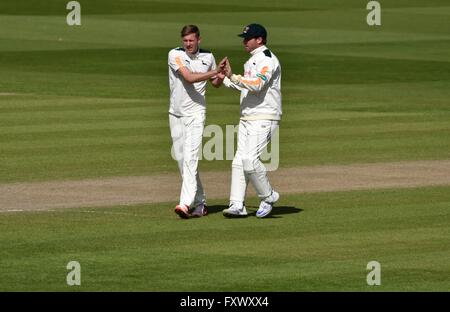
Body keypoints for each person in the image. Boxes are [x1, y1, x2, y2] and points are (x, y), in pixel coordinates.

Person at [221, 23, 282, 218]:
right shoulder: (252, 60)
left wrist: (233, 76)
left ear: (260, 40)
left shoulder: (267, 60)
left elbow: (257, 85)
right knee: (239, 161)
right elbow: (246, 88)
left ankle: (268, 195)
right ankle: (237, 205)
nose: (244, 41)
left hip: (264, 116)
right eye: (244, 38)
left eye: (248, 38)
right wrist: (223, 78)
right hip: (248, 116)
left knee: (249, 160)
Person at [168, 25, 226, 219]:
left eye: (191, 40)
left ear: (199, 40)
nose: (188, 44)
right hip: (176, 114)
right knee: (182, 161)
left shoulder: (208, 57)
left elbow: (215, 83)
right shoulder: (174, 54)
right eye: (185, 41)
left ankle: (185, 203)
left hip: (196, 114)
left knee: (191, 159)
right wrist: (214, 72)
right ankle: (201, 202)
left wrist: (221, 74)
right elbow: (189, 78)